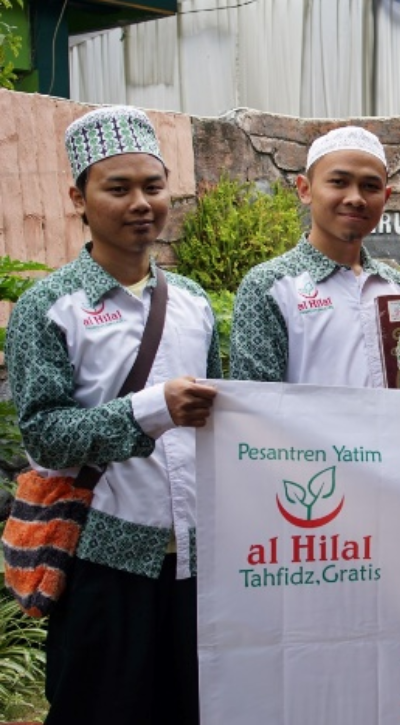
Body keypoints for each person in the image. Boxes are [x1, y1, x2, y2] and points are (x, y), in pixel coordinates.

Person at [5, 106, 220, 724]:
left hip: (196, 562)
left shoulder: (194, 302)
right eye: (118, 188)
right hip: (102, 559)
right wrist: (153, 409)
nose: (141, 204)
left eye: (153, 187)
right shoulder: (50, 306)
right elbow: (44, 436)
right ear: (79, 197)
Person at [231, 126, 400, 385]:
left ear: (386, 197)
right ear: (305, 189)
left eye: (370, 186)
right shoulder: (268, 286)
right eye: (339, 182)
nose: (356, 198)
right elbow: (253, 400)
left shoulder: (397, 287)